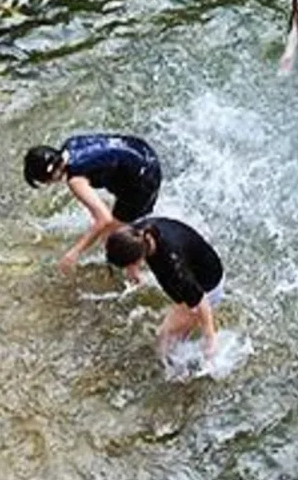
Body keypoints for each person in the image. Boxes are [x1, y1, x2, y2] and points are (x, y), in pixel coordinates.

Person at [24, 134, 162, 278]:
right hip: (146, 155)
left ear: (48, 177)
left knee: (113, 240)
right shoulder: (70, 145)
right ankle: (140, 249)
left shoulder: (75, 179)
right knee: (119, 226)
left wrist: (75, 252)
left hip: (143, 179)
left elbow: (104, 219)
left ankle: (135, 273)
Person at [105, 216, 224, 359]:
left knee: (165, 338)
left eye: (128, 266)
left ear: (136, 259)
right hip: (193, 264)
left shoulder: (171, 264)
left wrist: (210, 338)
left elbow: (200, 300)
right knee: (169, 338)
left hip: (207, 283)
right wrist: (133, 271)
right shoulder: (136, 234)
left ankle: (184, 372)